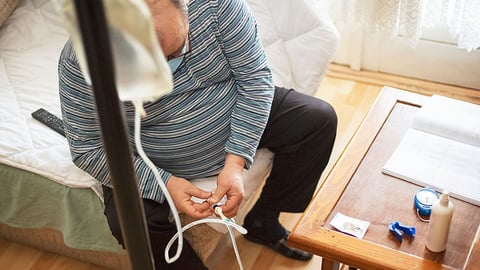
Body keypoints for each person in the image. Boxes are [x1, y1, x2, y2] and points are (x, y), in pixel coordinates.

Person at [58, 0, 337, 269]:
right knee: (129, 221)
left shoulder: (218, 6)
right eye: (148, 59)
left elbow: (255, 80)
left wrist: (236, 160)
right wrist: (165, 184)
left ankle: (264, 221)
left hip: (229, 109)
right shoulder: (81, 59)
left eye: (174, 52)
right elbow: (87, 148)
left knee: (317, 120)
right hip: (155, 156)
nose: (165, 68)